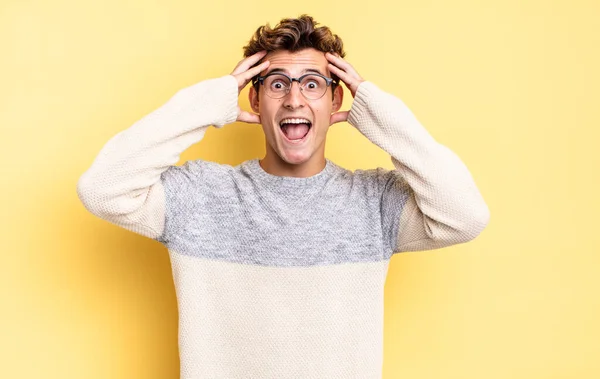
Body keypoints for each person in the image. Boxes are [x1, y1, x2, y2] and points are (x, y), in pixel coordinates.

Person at [77, 14, 490, 379]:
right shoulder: (200, 195)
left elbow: (465, 216)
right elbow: (102, 189)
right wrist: (209, 102)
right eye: (278, 84)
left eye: (312, 84)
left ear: (336, 99)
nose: (294, 99)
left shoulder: (374, 201)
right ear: (254, 99)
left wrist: (379, 111)